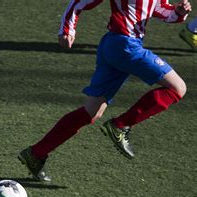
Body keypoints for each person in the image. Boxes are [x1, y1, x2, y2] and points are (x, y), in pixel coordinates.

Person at [18, 0, 192, 182]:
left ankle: (36, 154)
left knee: (91, 111)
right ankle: (121, 125)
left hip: (115, 45)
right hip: (125, 47)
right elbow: (79, 2)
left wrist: (178, 12)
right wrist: (67, 29)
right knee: (177, 88)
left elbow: (161, 10)